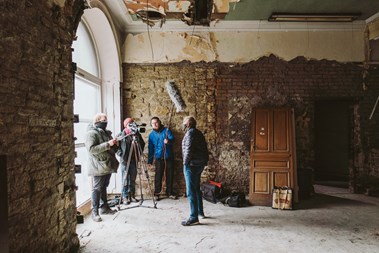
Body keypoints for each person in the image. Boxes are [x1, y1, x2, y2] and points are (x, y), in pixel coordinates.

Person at [85, 113, 119, 222]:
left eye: (106, 120)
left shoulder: (105, 132)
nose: (105, 122)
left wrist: (114, 144)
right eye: (104, 120)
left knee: (104, 186)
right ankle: (94, 212)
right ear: (97, 121)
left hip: (106, 163)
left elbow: (109, 147)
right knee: (97, 188)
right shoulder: (91, 133)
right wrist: (108, 144)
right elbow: (91, 149)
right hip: (98, 165)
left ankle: (104, 208)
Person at [181, 116, 209, 226]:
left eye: (184, 122)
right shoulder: (198, 132)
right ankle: (200, 212)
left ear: (188, 124)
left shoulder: (190, 134)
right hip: (199, 164)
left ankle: (193, 217)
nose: (182, 124)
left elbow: (188, 150)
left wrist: (185, 163)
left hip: (191, 165)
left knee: (190, 191)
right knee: (196, 188)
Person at [116, 118, 145, 205]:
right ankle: (125, 197)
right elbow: (115, 147)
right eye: (129, 123)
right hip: (125, 160)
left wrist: (138, 151)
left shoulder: (136, 134)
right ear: (126, 125)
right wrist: (121, 154)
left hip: (134, 159)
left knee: (132, 178)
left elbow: (142, 144)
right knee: (125, 179)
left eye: (132, 122)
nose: (131, 124)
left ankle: (132, 195)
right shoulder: (121, 135)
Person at [147, 116, 177, 200]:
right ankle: (157, 193)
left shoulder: (167, 131)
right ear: (151, 125)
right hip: (159, 158)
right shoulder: (151, 135)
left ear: (159, 122)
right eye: (153, 123)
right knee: (158, 176)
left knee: (170, 175)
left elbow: (173, 140)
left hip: (168, 157)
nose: (155, 124)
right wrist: (150, 161)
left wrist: (168, 141)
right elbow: (150, 149)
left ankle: (170, 192)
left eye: (156, 122)